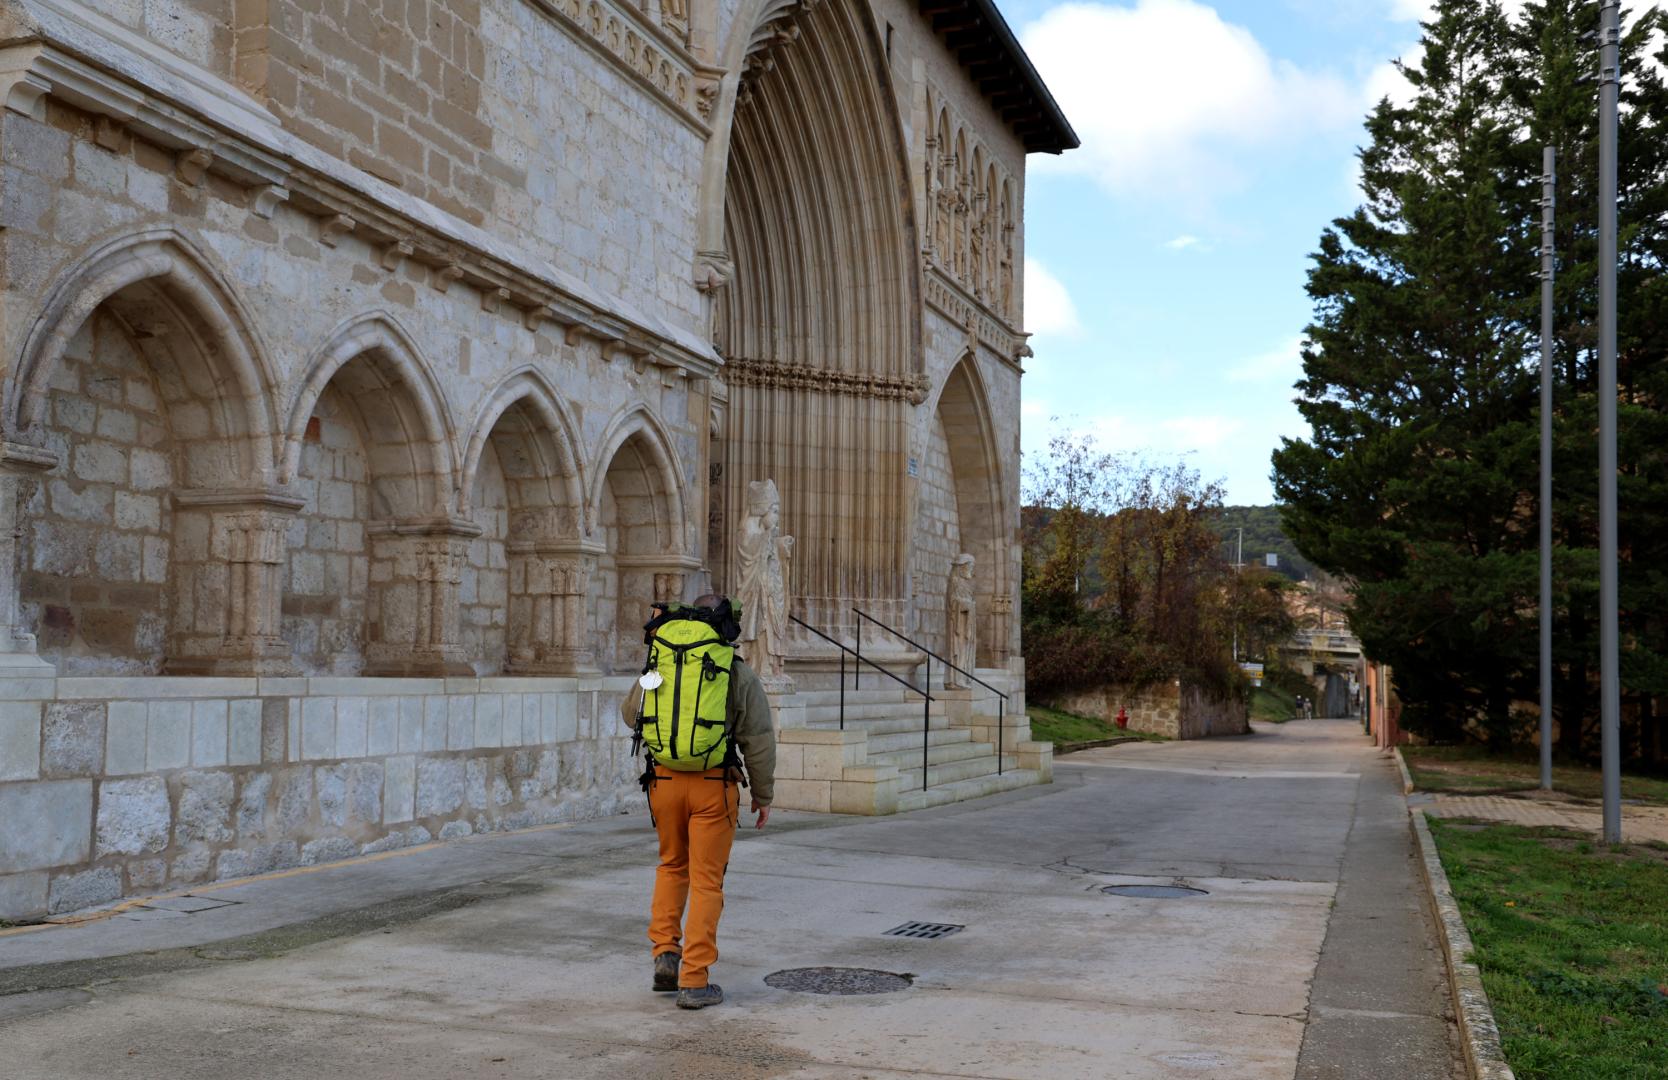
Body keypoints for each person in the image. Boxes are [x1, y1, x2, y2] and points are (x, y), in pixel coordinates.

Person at [620, 594, 776, 1010]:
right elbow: (758, 738)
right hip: (712, 784)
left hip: (664, 782)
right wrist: (763, 794)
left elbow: (630, 712)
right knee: (707, 881)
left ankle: (665, 954)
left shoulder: (662, 659)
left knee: (672, 866)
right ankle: (694, 980)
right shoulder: (735, 670)